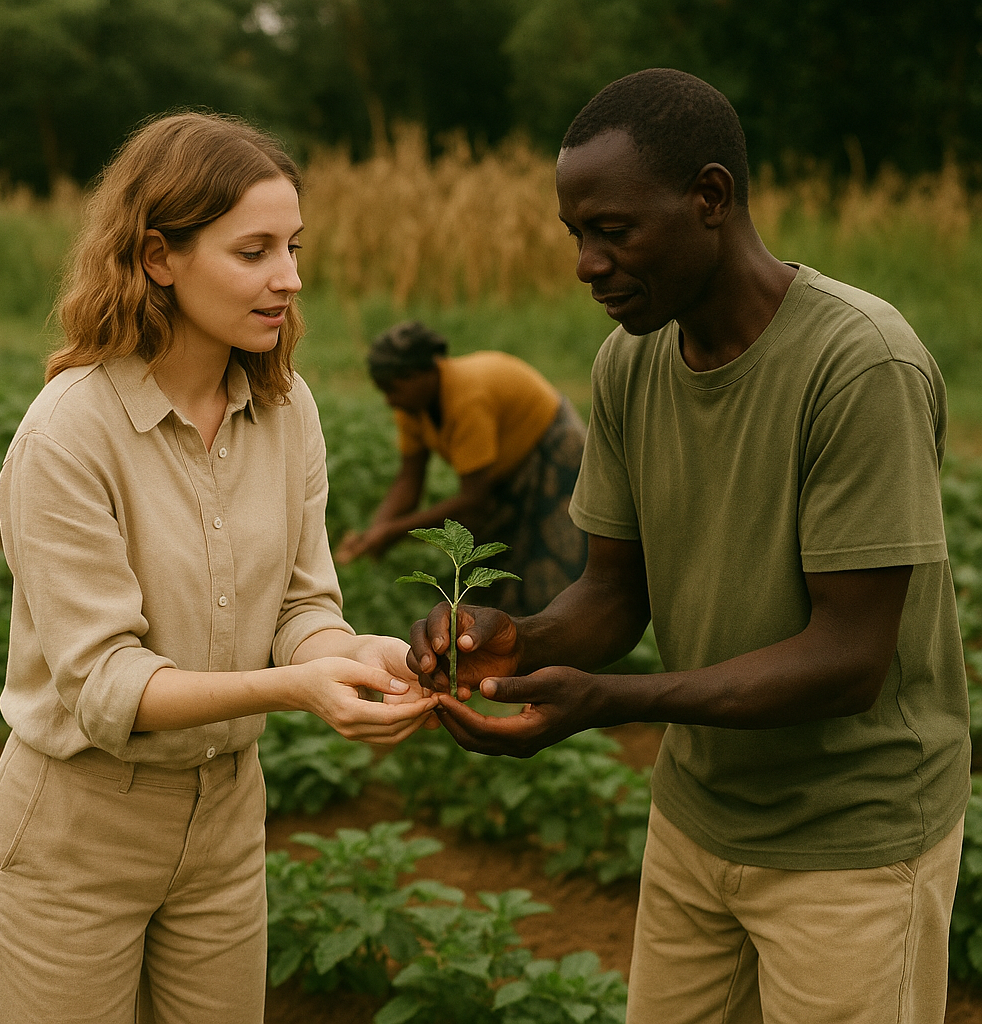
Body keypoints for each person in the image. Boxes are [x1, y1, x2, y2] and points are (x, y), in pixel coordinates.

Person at [410, 69, 970, 1024]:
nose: (587, 262)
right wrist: (524, 642)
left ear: (710, 198)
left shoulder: (857, 363)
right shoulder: (631, 359)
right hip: (697, 818)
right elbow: (615, 592)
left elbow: (848, 660)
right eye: (576, 235)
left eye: (613, 230)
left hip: (852, 841)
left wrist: (608, 704)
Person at [0, 111, 439, 1023]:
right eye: (254, 250)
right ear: (158, 257)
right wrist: (295, 686)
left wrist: (350, 654)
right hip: (79, 831)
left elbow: (306, 601)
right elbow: (107, 686)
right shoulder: (70, 434)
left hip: (228, 824)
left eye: (294, 247)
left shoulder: (287, 407)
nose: (289, 278)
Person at [334, 320, 588, 615]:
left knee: (550, 562)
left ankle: (552, 643)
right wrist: (374, 532)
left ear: (425, 374)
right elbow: (409, 479)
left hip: (552, 448)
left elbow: (473, 501)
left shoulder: (468, 399)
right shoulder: (412, 407)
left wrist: (393, 533)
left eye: (393, 389)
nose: (390, 401)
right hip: (504, 469)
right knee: (497, 561)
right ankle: (502, 635)